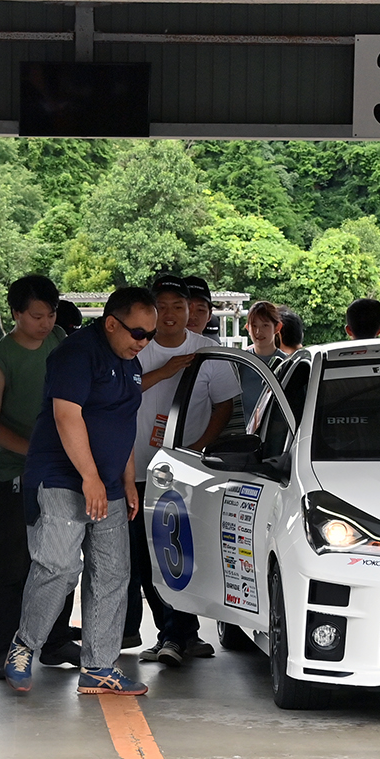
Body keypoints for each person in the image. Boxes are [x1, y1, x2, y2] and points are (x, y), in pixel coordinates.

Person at [3, 287, 154, 697]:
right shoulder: (76, 354)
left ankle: (100, 667)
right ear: (111, 323)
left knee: (112, 574)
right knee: (60, 568)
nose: (143, 342)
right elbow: (66, 416)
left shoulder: (131, 362)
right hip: (61, 481)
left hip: (107, 485)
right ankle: (24, 645)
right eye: (138, 333)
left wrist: (126, 480)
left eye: (149, 336)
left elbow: (122, 423)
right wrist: (89, 477)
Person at [128, 277, 238, 665]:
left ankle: (178, 633)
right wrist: (168, 369)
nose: (172, 314)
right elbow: (121, 394)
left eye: (180, 305)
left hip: (189, 472)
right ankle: (172, 632)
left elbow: (225, 406)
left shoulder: (209, 351)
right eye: (164, 306)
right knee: (146, 558)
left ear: (192, 311)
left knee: (182, 553)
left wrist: (199, 447)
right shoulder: (136, 347)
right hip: (138, 469)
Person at [0, 275, 78, 676]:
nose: (44, 322)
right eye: (36, 315)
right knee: (15, 566)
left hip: (58, 472)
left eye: (50, 313)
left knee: (61, 560)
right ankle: (7, 647)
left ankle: (53, 640)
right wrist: (35, 451)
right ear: (16, 314)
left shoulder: (59, 340)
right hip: (13, 476)